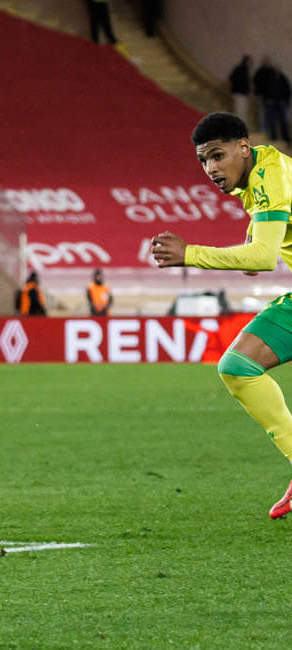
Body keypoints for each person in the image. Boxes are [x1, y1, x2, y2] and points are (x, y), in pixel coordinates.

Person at [151, 112, 292, 519]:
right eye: (203, 160)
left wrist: (189, 254)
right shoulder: (259, 171)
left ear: (243, 148)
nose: (211, 168)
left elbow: (262, 257)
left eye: (217, 155)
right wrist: (255, 235)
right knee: (238, 365)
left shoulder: (267, 176)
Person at [230, 56, 253, 128]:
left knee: (243, 112)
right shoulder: (239, 69)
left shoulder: (247, 71)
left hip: (244, 94)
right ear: (245, 61)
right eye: (250, 62)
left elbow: (247, 84)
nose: (251, 63)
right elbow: (232, 79)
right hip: (239, 93)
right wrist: (234, 92)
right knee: (239, 111)